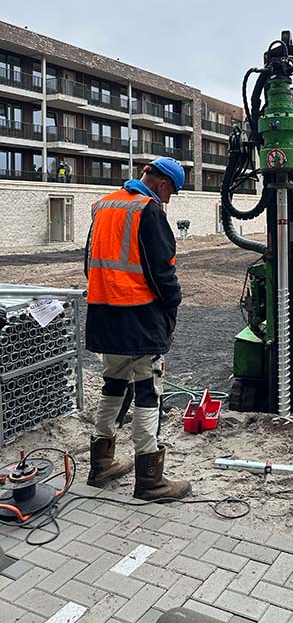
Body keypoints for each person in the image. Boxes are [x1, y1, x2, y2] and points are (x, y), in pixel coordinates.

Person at [84, 156, 191, 501]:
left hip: (104, 313)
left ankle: (101, 463)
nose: (170, 199)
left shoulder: (103, 205)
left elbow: (90, 263)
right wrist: (172, 305)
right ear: (162, 184)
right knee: (148, 391)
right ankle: (149, 479)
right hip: (140, 317)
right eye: (172, 191)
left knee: (113, 384)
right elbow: (162, 271)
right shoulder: (148, 209)